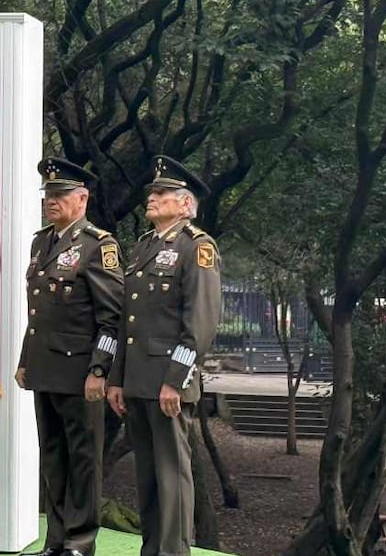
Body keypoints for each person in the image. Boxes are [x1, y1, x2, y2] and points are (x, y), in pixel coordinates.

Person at [106, 155, 222, 556]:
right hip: (138, 380)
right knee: (149, 476)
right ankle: (151, 548)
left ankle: (173, 552)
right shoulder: (143, 247)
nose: (151, 199)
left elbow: (200, 322)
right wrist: (116, 378)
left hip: (168, 382)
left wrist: (176, 379)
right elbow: (127, 322)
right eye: (152, 193)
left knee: (173, 474)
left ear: (185, 204)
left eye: (162, 193)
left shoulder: (197, 248)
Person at [16, 157, 123, 556]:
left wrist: (99, 369)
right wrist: (26, 359)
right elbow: (38, 312)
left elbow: (111, 318)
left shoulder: (99, 245)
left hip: (80, 370)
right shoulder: (42, 241)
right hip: (45, 367)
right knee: (53, 455)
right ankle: (56, 538)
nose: (52, 202)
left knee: (83, 459)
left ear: (82, 199)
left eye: (60, 195)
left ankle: (80, 541)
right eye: (49, 195)